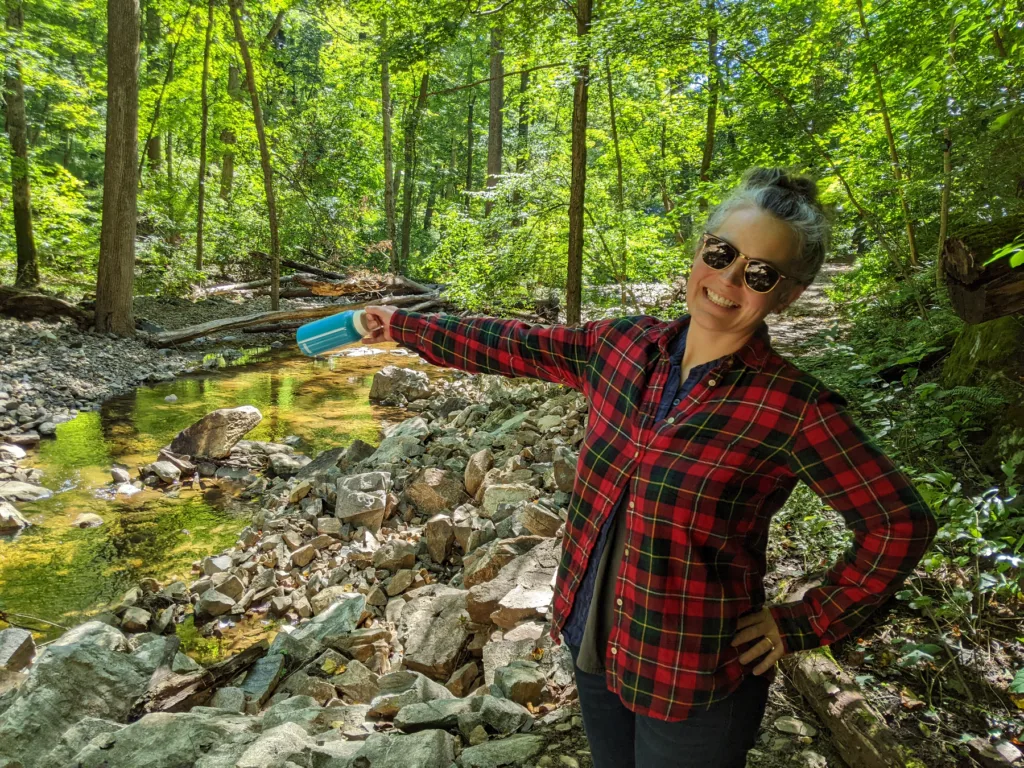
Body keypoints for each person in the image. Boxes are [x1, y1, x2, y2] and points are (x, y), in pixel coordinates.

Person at [362, 168, 937, 768]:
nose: (729, 279)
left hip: (695, 672)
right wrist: (401, 325)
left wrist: (804, 621)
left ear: (787, 294)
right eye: (722, 253)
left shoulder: (794, 407)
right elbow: (515, 344)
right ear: (701, 249)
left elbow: (900, 524)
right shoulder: (625, 346)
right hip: (593, 638)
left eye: (760, 274)